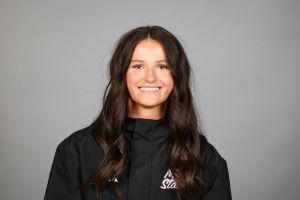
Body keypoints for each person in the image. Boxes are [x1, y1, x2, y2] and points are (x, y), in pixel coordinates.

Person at [44, 25, 232, 200]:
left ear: (176, 76)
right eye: (138, 66)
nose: (150, 77)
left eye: (162, 66)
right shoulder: (76, 151)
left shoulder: (204, 159)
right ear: (121, 74)